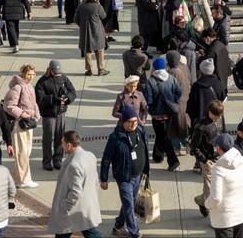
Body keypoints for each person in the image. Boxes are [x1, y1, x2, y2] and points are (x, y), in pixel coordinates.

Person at [100, 104, 150, 238]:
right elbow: (106, 159)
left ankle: (118, 226)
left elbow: (144, 151)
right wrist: (103, 179)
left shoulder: (140, 131)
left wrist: (146, 170)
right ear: (124, 121)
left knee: (130, 202)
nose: (134, 124)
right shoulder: (115, 137)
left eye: (135, 120)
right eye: (131, 122)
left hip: (137, 176)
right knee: (129, 204)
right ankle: (134, 232)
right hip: (123, 177)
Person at [48, 131, 103, 238]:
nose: (62, 146)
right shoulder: (90, 156)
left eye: (62, 143)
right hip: (86, 207)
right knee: (89, 231)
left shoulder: (74, 164)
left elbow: (75, 192)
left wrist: (64, 206)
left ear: (69, 145)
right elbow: (96, 181)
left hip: (73, 210)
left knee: (62, 232)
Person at [2, 64, 40, 188]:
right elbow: (8, 106)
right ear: (23, 73)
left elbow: (34, 103)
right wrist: (23, 114)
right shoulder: (17, 87)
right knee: (21, 152)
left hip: (29, 122)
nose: (31, 77)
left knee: (26, 151)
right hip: (20, 124)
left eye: (33, 74)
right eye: (29, 74)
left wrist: (36, 115)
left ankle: (19, 178)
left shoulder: (30, 87)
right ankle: (23, 180)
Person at [206, 133, 243, 238]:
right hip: (241, 214)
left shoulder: (218, 170)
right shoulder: (242, 160)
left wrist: (207, 204)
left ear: (218, 148)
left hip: (225, 218)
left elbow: (216, 198)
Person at [36, 59, 77, 172]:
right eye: (55, 72)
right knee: (48, 138)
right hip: (49, 114)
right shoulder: (42, 82)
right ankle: (47, 161)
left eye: (59, 72)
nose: (58, 74)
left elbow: (73, 92)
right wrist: (53, 99)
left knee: (60, 137)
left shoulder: (64, 78)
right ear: (50, 70)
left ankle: (58, 160)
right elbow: (40, 99)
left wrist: (67, 98)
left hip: (61, 112)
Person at [146, 55, 183, 170]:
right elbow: (179, 92)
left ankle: (172, 160)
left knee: (163, 136)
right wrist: (173, 101)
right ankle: (158, 155)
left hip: (156, 114)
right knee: (162, 134)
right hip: (169, 112)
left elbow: (149, 99)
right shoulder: (171, 78)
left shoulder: (150, 81)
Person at [76, 0, 110, 76]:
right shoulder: (97, 7)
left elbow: (76, 20)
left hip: (85, 32)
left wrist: (82, 25)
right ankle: (101, 69)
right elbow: (104, 16)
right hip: (97, 32)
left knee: (87, 51)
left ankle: (89, 70)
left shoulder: (81, 6)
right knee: (99, 50)